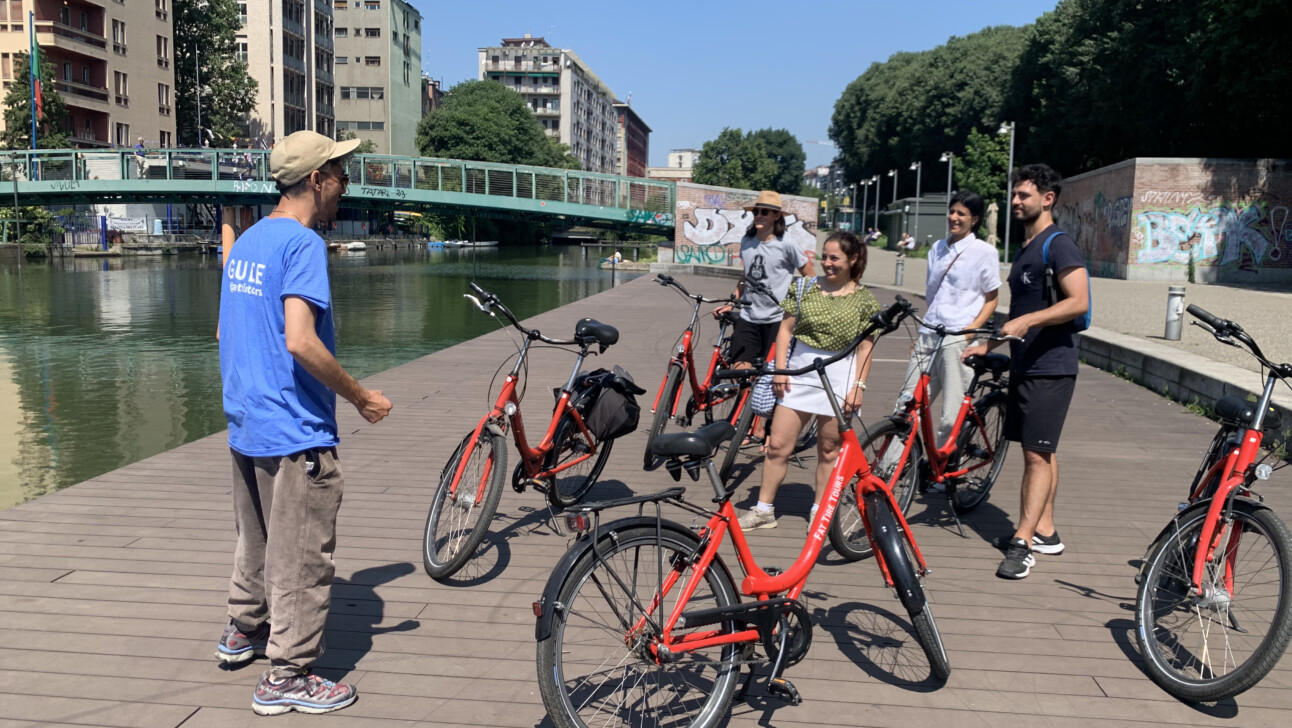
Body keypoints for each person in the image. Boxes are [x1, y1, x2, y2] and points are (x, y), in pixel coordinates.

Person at [215, 130, 392, 715]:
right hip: (295, 429)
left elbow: (224, 334)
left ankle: (244, 630)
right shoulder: (302, 245)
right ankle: (287, 675)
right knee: (305, 554)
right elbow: (299, 341)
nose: (347, 185)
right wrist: (360, 395)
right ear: (316, 180)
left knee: (259, 537)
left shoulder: (246, 243)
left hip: (246, 422)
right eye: (342, 174)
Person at [962, 163, 1089, 580]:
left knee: (1036, 454)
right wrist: (990, 343)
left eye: (1024, 196)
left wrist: (1029, 322)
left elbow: (1078, 302)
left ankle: (1023, 542)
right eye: (1014, 195)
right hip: (1025, 363)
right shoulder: (1027, 248)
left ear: (1047, 199)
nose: (1015, 201)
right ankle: (1046, 531)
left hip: (1051, 368)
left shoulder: (1060, 244)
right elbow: (1019, 313)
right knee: (1040, 450)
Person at [738, 231, 881, 531]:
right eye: (824, 257)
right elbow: (785, 330)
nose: (827, 264)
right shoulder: (804, 287)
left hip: (841, 375)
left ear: (853, 259)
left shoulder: (864, 300)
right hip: (799, 372)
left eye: (835, 258)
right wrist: (779, 369)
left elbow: (866, 347)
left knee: (829, 450)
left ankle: (819, 511)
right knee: (777, 445)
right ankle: (764, 509)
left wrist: (859, 386)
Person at [892, 191, 1000, 457]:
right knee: (907, 404)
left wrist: (967, 333)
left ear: (974, 219)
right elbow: (935, 296)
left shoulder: (984, 252)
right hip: (931, 332)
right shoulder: (937, 248)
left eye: (961, 214)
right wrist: (923, 331)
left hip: (958, 336)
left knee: (951, 414)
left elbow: (992, 299)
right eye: (952, 211)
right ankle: (888, 467)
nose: (954, 217)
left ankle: (943, 465)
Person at [714, 190, 815, 368]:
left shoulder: (787, 243)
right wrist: (732, 302)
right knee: (738, 373)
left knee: (768, 376)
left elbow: (811, 276)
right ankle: (741, 395)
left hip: (777, 320)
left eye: (764, 212)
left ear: (777, 215)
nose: (758, 216)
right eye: (756, 212)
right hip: (748, 317)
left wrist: (801, 306)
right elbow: (746, 277)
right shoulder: (747, 240)